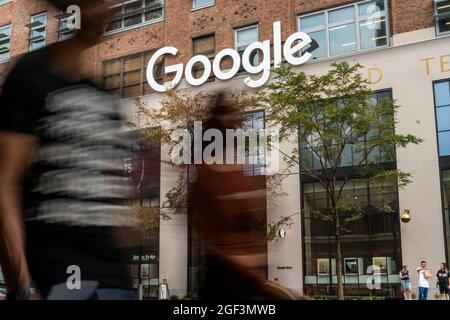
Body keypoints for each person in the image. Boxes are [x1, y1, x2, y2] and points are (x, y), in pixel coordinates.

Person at [0, 0, 134, 300]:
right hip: (60, 271)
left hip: (113, 275)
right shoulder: (31, 73)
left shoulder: (103, 98)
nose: (105, 11)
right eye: (94, 3)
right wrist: (20, 286)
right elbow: (5, 183)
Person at [190, 94, 299, 300]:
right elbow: (221, 243)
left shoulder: (234, 174)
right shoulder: (211, 179)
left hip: (238, 281)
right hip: (226, 284)